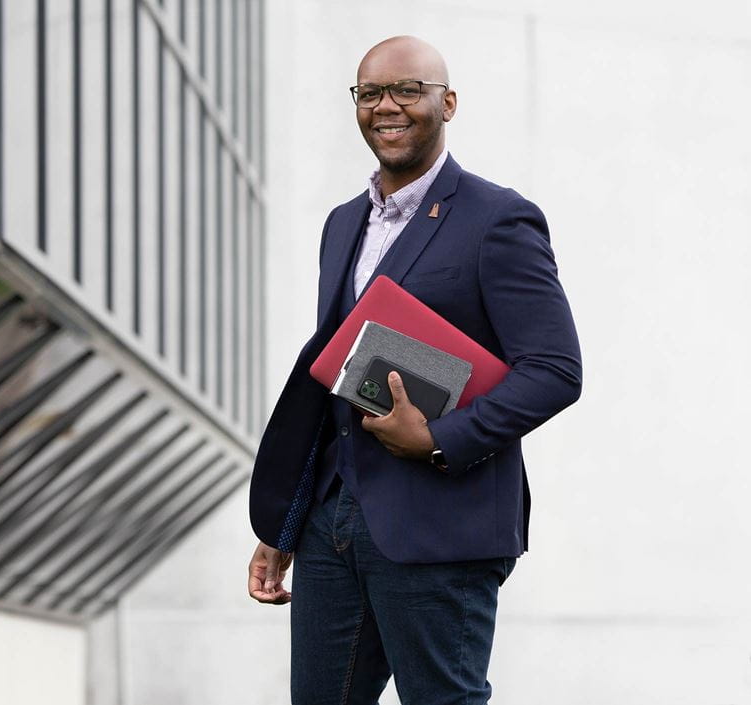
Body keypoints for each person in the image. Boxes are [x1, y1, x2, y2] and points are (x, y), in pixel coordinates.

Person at [247, 35, 581, 704]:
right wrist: (285, 525)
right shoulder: (343, 224)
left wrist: (436, 439)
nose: (386, 106)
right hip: (330, 521)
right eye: (370, 93)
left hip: (440, 524)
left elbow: (555, 369)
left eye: (408, 90)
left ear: (447, 102)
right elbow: (335, 377)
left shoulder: (497, 219)